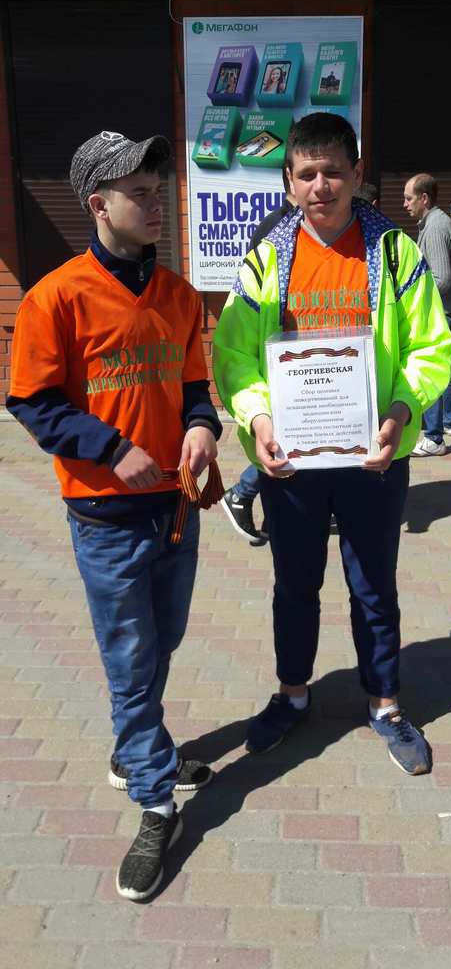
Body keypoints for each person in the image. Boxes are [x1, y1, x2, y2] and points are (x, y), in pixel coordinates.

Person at [7, 130, 222, 902]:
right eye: (139, 193)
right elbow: (31, 401)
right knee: (131, 659)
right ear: (98, 204)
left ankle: (137, 749)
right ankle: (156, 801)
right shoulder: (56, 296)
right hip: (105, 515)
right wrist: (108, 447)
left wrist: (203, 426)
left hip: (177, 504)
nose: (156, 204)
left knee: (163, 640)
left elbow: (194, 385)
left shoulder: (179, 295)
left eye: (158, 191)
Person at [213, 113, 451, 775]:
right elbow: (234, 354)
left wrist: (401, 412)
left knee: (373, 586)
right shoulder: (268, 257)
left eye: (334, 172)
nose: (321, 185)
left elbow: (431, 345)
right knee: (294, 586)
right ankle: (293, 696)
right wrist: (259, 419)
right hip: (292, 461)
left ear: (357, 175)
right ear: (289, 181)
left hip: (374, 456)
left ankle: (385, 704)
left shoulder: (395, 254)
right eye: (308, 173)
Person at [220, 166, 296, 546]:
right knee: (279, 444)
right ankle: (243, 494)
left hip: (301, 363)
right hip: (280, 362)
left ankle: (265, 513)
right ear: (291, 181)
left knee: (287, 446)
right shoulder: (276, 229)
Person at [403, 173, 451, 456]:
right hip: (447, 309)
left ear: (424, 198)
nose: (405, 204)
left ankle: (434, 439)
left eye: (409, 198)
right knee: (445, 366)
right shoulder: (434, 222)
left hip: (439, 310)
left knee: (430, 370)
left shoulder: (436, 226)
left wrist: (413, 296)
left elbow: (442, 278)